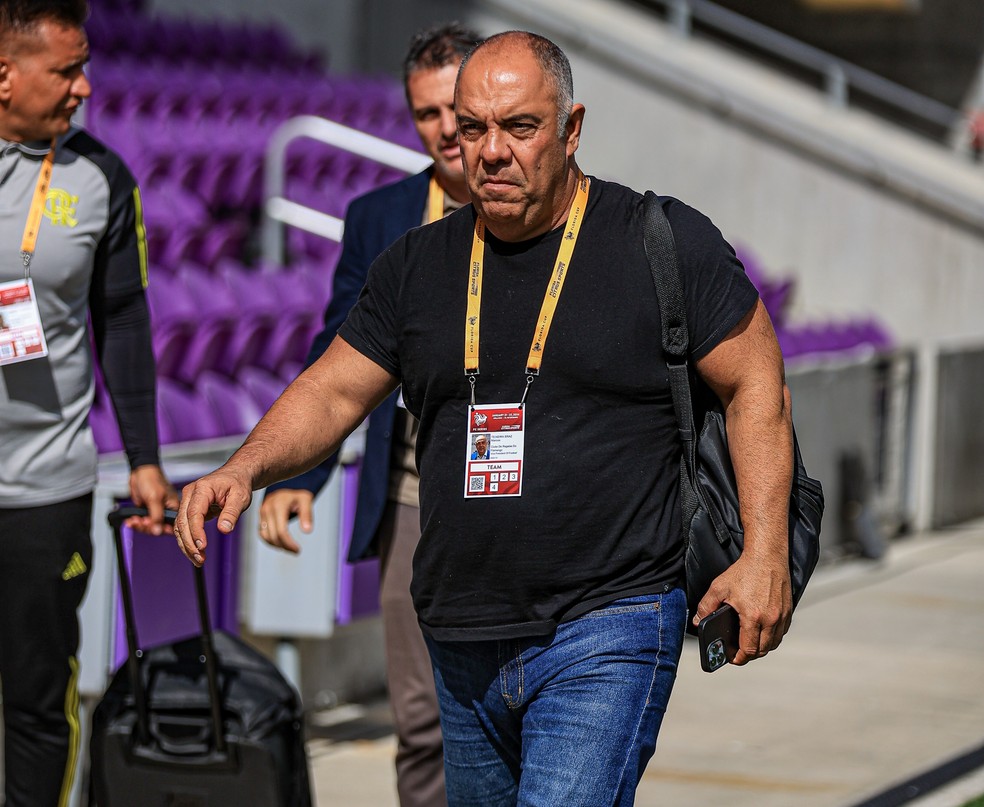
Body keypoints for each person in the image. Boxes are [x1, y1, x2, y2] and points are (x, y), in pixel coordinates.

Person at [175, 30, 794, 806]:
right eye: (472, 129)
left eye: (520, 127)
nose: (490, 151)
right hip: (462, 631)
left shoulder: (659, 241)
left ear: (572, 130)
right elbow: (331, 390)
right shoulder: (414, 264)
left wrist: (765, 551)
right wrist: (245, 466)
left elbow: (756, 384)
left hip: (610, 619)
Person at [259, 23, 481, 807]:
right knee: (421, 719)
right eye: (427, 114)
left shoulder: (551, 207)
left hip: (527, 499)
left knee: (517, 717)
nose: (448, 129)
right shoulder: (382, 216)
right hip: (415, 502)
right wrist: (302, 472)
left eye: (458, 106)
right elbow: (338, 355)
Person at [0, 2, 176, 804]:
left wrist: (144, 456)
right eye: (66, 70)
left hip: (47, 486)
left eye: (86, 66)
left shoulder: (102, 176)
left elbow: (125, 322)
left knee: (39, 696)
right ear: (5, 73)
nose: (85, 88)